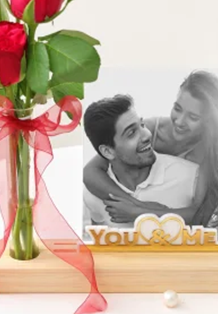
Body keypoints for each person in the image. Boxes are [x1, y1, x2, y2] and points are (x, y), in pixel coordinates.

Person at [83, 70, 218, 229]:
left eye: (193, 117)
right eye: (177, 108)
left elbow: (201, 215)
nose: (179, 122)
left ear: (210, 121)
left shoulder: (209, 154)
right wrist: (136, 204)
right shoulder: (152, 129)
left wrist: (139, 212)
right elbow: (90, 171)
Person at [82, 94, 199, 230]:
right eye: (131, 133)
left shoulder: (191, 177)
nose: (147, 135)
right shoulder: (92, 195)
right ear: (107, 152)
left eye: (142, 125)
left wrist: (142, 211)